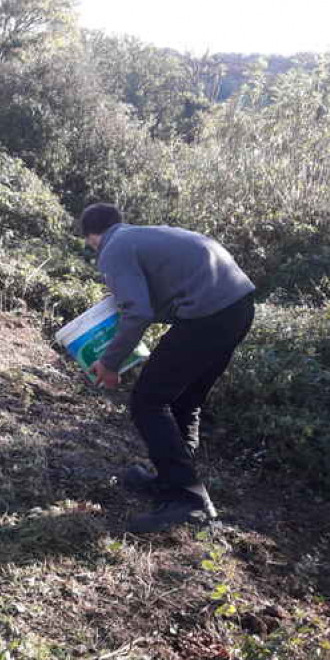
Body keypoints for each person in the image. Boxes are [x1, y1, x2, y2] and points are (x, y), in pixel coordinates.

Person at [80, 203, 255, 533]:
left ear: (92, 237)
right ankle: (174, 479)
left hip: (208, 315)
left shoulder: (112, 248)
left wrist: (109, 363)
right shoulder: (140, 235)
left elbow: (137, 312)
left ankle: (188, 500)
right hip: (239, 306)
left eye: (90, 245)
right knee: (186, 399)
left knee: (147, 400)